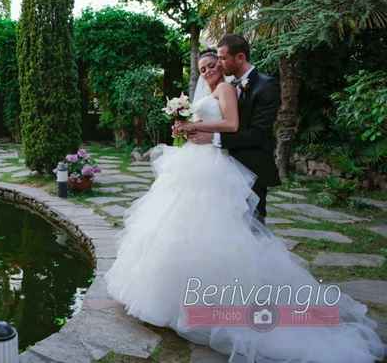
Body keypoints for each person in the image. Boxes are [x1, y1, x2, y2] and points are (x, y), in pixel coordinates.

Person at [104, 49, 385, 363]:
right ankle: (175, 297)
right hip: (194, 161)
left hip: (212, 164)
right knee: (178, 225)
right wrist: (185, 128)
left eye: (213, 65)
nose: (209, 70)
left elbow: (232, 124)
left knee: (214, 227)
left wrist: (204, 133)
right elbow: (207, 123)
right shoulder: (210, 91)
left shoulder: (225, 89)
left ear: (221, 66)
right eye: (203, 67)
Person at [184, 34, 280, 225]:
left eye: (222, 58)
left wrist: (213, 138)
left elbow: (258, 134)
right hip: (228, 164)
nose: (219, 63)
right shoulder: (230, 85)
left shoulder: (265, 85)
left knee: (252, 227)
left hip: (253, 167)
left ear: (240, 57)